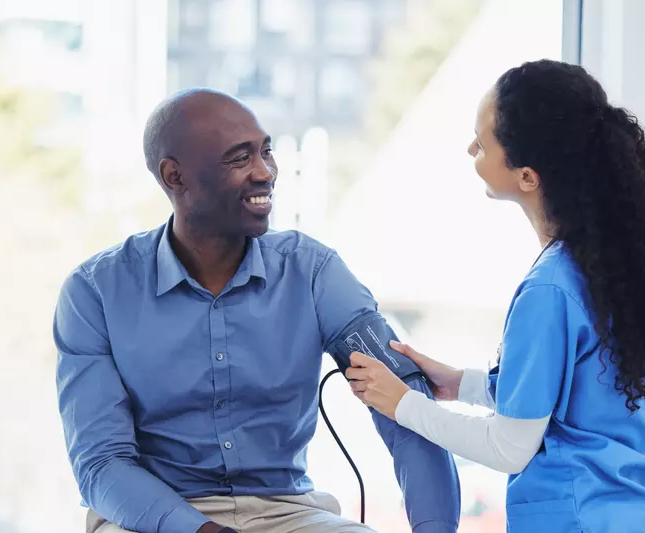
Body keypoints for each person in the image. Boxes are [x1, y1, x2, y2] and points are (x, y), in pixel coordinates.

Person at [53, 89, 461, 533]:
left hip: (290, 513)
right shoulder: (95, 292)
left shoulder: (313, 271)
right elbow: (101, 465)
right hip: (154, 519)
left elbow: (404, 406)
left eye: (266, 151)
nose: (265, 172)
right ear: (175, 176)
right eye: (239, 159)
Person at [346, 59, 645, 533]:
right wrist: (463, 384)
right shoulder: (615, 272)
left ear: (527, 176)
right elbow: (583, 400)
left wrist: (402, 403)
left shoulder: (549, 290)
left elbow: (509, 447)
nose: (470, 149)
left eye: (483, 142)